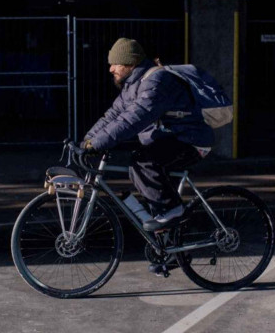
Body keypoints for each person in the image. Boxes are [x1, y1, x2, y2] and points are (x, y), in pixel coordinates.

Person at [81, 37, 214, 232]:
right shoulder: (133, 85)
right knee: (154, 198)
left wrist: (98, 143)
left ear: (130, 63)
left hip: (190, 140)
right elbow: (114, 115)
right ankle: (167, 255)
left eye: (115, 64)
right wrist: (88, 140)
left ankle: (175, 211)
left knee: (142, 163)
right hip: (167, 140)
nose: (111, 69)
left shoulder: (157, 81)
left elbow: (134, 118)